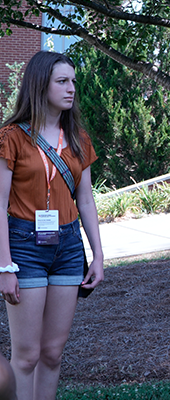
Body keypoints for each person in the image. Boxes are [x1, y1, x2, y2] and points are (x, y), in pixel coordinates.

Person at [0, 51, 104, 399]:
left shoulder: (78, 138)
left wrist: (99, 256)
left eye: (73, 81)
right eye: (62, 81)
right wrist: (5, 266)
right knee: (26, 355)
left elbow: (86, 200)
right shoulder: (11, 137)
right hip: (23, 247)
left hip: (69, 247)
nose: (71, 88)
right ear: (40, 84)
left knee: (52, 353)